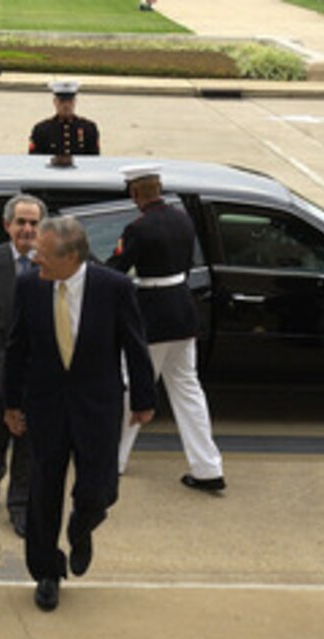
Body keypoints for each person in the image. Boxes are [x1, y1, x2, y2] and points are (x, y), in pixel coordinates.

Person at [4, 216, 155, 612]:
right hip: (45, 406)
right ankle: (46, 573)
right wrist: (11, 403)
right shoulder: (29, 286)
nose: (36, 259)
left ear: (71, 256)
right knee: (43, 493)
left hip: (98, 406)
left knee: (99, 488)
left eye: (44, 253)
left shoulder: (114, 287)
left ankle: (83, 524)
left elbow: (135, 345)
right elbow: (16, 347)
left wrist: (144, 400)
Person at [108, 165, 224, 491]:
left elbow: (118, 267)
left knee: (133, 385)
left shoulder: (138, 228)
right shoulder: (182, 218)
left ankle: (113, 460)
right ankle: (207, 468)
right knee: (188, 391)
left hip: (152, 316)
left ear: (135, 193)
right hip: (183, 311)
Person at [0, 194, 45, 537]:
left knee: (29, 444)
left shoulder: (53, 263)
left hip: (34, 372)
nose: (27, 229)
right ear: (7, 226)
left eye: (33, 223)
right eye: (21, 222)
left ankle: (19, 505)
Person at [28, 81, 100, 158]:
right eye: (62, 101)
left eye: (69, 101)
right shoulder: (41, 130)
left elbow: (94, 158)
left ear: (74, 102)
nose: (66, 105)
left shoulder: (89, 128)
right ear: (55, 102)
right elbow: (34, 159)